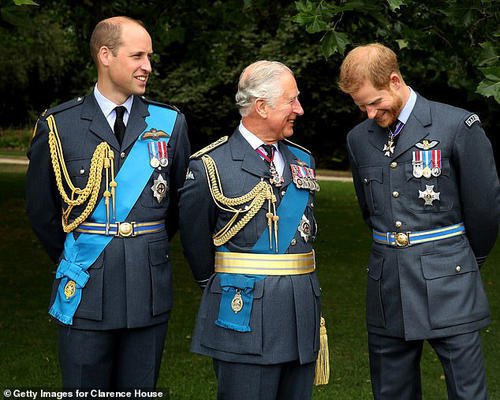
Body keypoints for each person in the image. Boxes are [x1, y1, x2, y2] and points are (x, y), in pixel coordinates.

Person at [26, 16, 190, 391]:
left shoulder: (170, 123)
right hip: (85, 290)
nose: (148, 66)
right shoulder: (59, 125)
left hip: (148, 292)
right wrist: (81, 256)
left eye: (149, 56)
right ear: (105, 55)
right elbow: (42, 213)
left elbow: (177, 209)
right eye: (137, 56)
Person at [339, 43, 500, 399]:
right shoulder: (358, 139)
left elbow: (485, 210)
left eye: (374, 102)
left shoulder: (457, 125)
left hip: (450, 281)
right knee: (391, 392)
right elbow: (371, 211)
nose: (368, 113)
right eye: (360, 105)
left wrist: (465, 262)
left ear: (395, 81)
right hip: (387, 286)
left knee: (468, 392)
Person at [178, 60, 327, 399]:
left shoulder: (303, 160)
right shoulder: (209, 166)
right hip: (242, 313)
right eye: (291, 100)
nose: (299, 110)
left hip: (301, 310)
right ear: (261, 106)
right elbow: (195, 243)